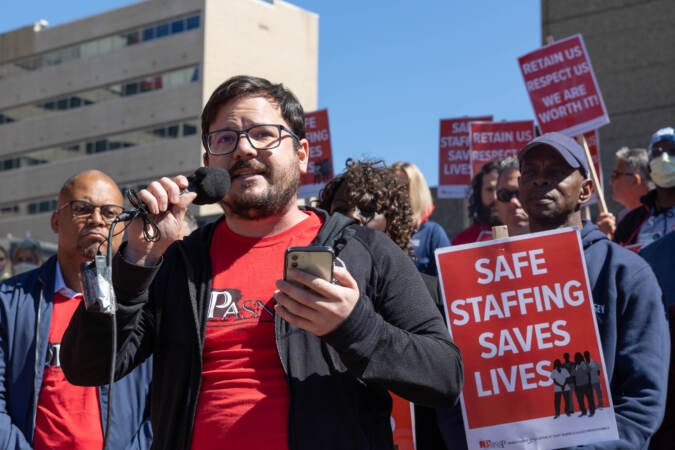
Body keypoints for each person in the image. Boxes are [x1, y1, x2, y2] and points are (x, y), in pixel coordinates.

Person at [61, 75, 463, 450]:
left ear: (302, 154)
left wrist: (354, 325)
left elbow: (444, 375)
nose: (243, 148)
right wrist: (136, 262)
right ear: (207, 160)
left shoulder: (364, 250)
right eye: (225, 138)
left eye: (263, 135)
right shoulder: (178, 261)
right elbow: (86, 367)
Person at [518, 131, 669, 448]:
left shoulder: (627, 274)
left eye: (556, 173)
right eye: (530, 173)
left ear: (586, 190)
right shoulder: (493, 277)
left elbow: (642, 399)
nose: (540, 181)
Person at [0, 170, 152, 449]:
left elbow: (163, 400)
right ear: (56, 221)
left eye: (110, 213)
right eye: (82, 209)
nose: (97, 220)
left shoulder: (144, 303)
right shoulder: (9, 302)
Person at [318, 158, 448, 450]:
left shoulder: (431, 293)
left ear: (393, 220)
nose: (352, 219)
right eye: (340, 210)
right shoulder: (313, 295)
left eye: (367, 210)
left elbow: (445, 380)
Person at [613, 127, 675, 249]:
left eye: (673, 152)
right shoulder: (631, 222)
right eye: (657, 152)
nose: (664, 158)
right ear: (649, 165)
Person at [391, 161, 450, 276]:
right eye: (393, 187)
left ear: (417, 192)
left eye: (404, 188)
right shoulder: (378, 231)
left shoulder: (432, 233)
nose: (397, 194)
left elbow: (449, 280)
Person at [595, 147, 652, 238]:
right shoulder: (625, 218)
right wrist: (609, 237)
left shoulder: (659, 214)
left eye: (616, 175)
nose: (611, 181)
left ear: (634, 180)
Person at [451, 160, 501, 245]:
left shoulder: (529, 234)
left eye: (500, 189)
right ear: (479, 193)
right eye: (489, 190)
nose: (495, 197)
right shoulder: (462, 242)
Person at [495, 156, 529, 237]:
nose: (513, 201)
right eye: (504, 195)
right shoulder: (483, 247)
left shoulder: (560, 245)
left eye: (521, 194)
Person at [572, 351, 595, 417]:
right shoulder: (574, 366)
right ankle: (583, 412)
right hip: (578, 386)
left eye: (579, 357)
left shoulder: (585, 364)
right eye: (576, 358)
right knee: (580, 401)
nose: (578, 359)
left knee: (590, 399)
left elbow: (588, 371)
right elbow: (573, 375)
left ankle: (592, 412)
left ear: (581, 358)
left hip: (587, 385)